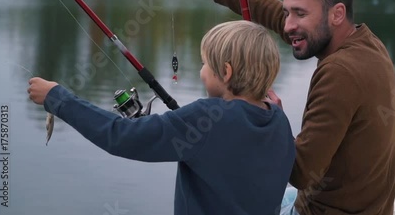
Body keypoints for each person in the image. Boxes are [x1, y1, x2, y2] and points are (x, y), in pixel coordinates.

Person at [165, 0, 395, 215]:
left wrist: (274, 123)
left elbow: (300, 173)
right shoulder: (367, 43)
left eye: (300, 14)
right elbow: (276, 15)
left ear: (337, 14)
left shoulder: (339, 73)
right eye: (289, 13)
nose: (288, 26)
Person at [27, 20, 295, 215]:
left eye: (204, 64)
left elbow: (122, 137)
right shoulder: (279, 121)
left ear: (225, 72)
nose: (202, 71)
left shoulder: (207, 118)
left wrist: (57, 98)